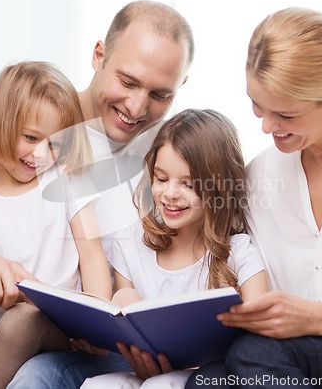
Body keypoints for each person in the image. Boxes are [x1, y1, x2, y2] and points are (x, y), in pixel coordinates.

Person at [0, 0, 194, 388]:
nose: (136, 106)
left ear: (181, 88)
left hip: (93, 346)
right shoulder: (12, 139)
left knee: (36, 375)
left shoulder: (173, 164)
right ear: (99, 55)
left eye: (160, 94)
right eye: (127, 82)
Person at [185, 7, 322, 389]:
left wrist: (312, 318)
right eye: (257, 106)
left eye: (285, 115)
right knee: (206, 381)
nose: (268, 126)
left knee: (254, 355)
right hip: (292, 362)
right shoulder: (258, 178)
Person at [0, 61, 113, 389]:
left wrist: (95, 324)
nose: (40, 154)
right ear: (1, 124)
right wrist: (20, 283)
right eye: (31, 137)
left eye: (54, 145)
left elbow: (92, 258)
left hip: (52, 321)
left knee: (21, 322)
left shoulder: (68, 181)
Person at [81, 109, 269, 389]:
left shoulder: (239, 253)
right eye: (161, 178)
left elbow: (259, 341)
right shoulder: (131, 243)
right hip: (143, 373)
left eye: (189, 184)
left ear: (219, 187)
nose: (170, 193)